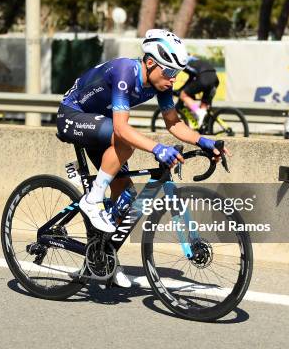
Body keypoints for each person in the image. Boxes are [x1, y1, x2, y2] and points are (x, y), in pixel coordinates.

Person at [57, 29, 229, 287]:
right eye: (169, 72)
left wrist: (203, 140)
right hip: (72, 115)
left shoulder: (160, 84)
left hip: (100, 125)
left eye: (177, 74)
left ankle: (102, 258)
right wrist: (157, 149)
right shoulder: (125, 71)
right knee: (125, 140)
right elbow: (121, 129)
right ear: (150, 63)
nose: (173, 80)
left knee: (126, 197)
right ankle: (92, 201)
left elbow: (174, 123)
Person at [179, 56, 220, 126]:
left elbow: (191, 77)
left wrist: (181, 90)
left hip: (204, 79)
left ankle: (198, 112)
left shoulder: (185, 63)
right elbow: (191, 79)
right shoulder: (199, 62)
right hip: (215, 80)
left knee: (183, 95)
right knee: (203, 105)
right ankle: (202, 126)